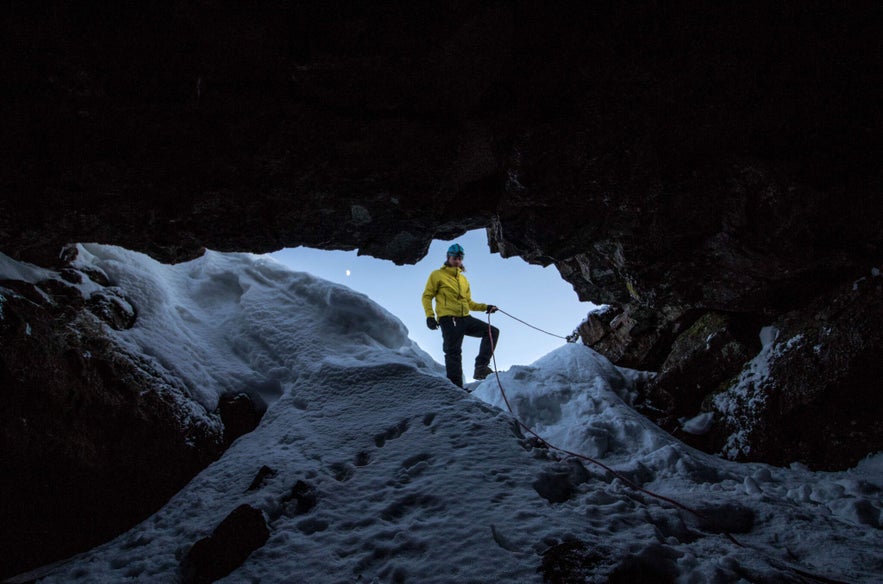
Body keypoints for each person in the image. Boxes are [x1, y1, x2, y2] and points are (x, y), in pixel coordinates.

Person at [422, 243, 499, 388]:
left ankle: (481, 367)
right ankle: (456, 388)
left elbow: (468, 302)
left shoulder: (463, 280)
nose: (457, 260)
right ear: (448, 257)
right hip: (449, 318)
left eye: (459, 258)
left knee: (492, 331)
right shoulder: (437, 275)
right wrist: (430, 316)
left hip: (465, 318)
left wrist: (486, 307)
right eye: (454, 257)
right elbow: (427, 296)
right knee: (453, 352)